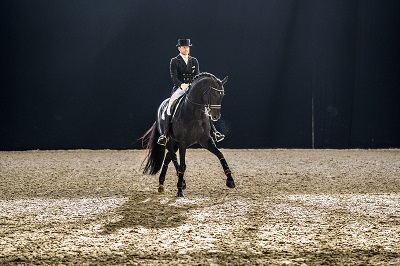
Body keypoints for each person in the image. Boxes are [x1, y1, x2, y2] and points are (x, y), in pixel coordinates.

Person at [157, 39, 225, 146]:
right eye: (184, 47)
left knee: (205, 105)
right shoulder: (174, 61)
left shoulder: (194, 61)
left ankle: (215, 132)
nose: (186, 49)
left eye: (188, 47)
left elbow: (197, 76)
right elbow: (174, 77)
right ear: (179, 48)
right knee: (171, 104)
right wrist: (182, 85)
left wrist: (195, 86)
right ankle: (165, 134)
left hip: (192, 88)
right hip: (179, 88)